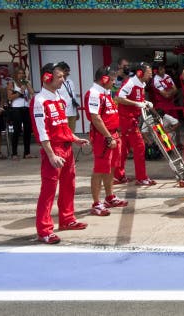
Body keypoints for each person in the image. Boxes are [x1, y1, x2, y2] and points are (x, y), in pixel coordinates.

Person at [31, 62, 90, 244]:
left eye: (63, 76)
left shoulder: (59, 99)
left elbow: (62, 127)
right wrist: (51, 155)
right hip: (53, 150)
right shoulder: (39, 101)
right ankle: (44, 230)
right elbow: (42, 132)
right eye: (59, 76)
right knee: (48, 191)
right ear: (47, 77)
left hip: (66, 148)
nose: (63, 79)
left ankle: (67, 219)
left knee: (68, 186)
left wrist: (75, 139)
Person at [84, 66, 128, 217]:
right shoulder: (94, 94)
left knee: (111, 168)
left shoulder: (105, 93)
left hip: (113, 135)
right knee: (100, 170)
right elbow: (96, 118)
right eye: (112, 79)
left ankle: (110, 197)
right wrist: (108, 137)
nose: (114, 82)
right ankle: (96, 203)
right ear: (104, 79)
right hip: (103, 137)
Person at [115, 62, 156, 186]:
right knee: (139, 147)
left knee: (124, 149)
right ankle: (141, 177)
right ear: (140, 73)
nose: (150, 76)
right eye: (149, 73)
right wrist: (137, 104)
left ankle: (118, 176)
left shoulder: (140, 84)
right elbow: (119, 98)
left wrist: (145, 102)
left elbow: (136, 98)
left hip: (131, 119)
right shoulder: (131, 83)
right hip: (127, 120)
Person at [6, 68, 36, 160]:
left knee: (27, 130)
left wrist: (27, 83)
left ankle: (27, 153)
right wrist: (20, 93)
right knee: (17, 130)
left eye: (23, 73)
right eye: (19, 73)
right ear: (15, 74)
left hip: (26, 108)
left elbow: (32, 93)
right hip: (16, 109)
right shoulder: (12, 83)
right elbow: (9, 97)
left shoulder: (25, 83)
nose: (21, 75)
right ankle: (14, 153)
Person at [55, 62, 79, 132]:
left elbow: (73, 97)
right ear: (60, 71)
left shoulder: (70, 82)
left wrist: (77, 111)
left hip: (73, 111)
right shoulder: (56, 82)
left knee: (72, 133)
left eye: (68, 71)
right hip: (63, 113)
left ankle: (70, 143)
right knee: (64, 133)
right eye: (66, 71)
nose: (68, 73)